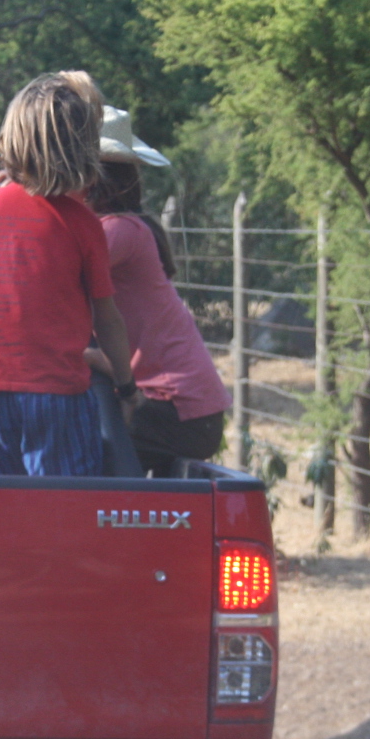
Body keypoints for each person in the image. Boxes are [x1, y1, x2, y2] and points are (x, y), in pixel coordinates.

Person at [0, 72, 138, 477]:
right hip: (54, 390)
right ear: (85, 149)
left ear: (12, 140)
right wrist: (126, 386)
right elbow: (107, 319)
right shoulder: (83, 225)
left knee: (2, 502)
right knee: (64, 503)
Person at [85, 108, 230, 474]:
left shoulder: (116, 232)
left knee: (81, 452)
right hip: (185, 411)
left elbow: (51, 271)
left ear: (92, 178)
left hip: (177, 409)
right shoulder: (127, 228)